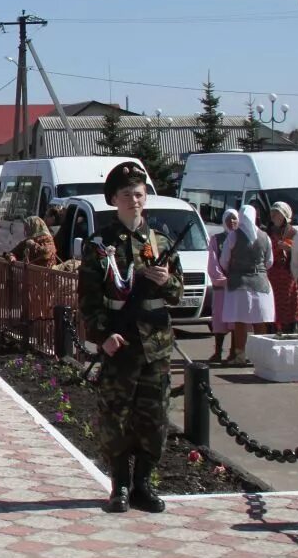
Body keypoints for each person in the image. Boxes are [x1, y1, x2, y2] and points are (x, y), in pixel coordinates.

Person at [78, 160, 182, 515]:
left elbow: (178, 294)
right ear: (114, 199)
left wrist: (167, 281)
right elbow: (89, 301)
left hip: (155, 346)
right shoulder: (99, 245)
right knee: (116, 418)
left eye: (139, 194)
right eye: (126, 195)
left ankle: (144, 485)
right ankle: (119, 485)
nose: (134, 200)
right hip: (119, 345)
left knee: (154, 419)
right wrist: (102, 337)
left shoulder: (162, 241)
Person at [218, 205, 274, 367]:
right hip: (261, 283)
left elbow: (224, 260)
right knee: (260, 320)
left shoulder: (233, 236)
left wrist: (233, 270)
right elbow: (269, 262)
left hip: (239, 283)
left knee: (240, 321)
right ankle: (261, 356)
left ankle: (240, 355)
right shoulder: (265, 237)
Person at [264, 202, 298, 336]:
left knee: (291, 306)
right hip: (272, 276)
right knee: (273, 308)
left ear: (285, 215)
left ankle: (293, 333)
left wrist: (291, 249)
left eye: (277, 213)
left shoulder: (293, 233)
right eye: (273, 212)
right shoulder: (266, 232)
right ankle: (273, 334)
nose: (274, 215)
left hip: (289, 277)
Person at [205, 209, 238, 363]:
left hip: (236, 285)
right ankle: (218, 352)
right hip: (222, 286)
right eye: (229, 219)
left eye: (235, 219)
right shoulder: (216, 239)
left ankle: (234, 352)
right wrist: (220, 279)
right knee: (219, 320)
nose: (232, 222)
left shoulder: (241, 238)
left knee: (235, 321)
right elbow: (212, 261)